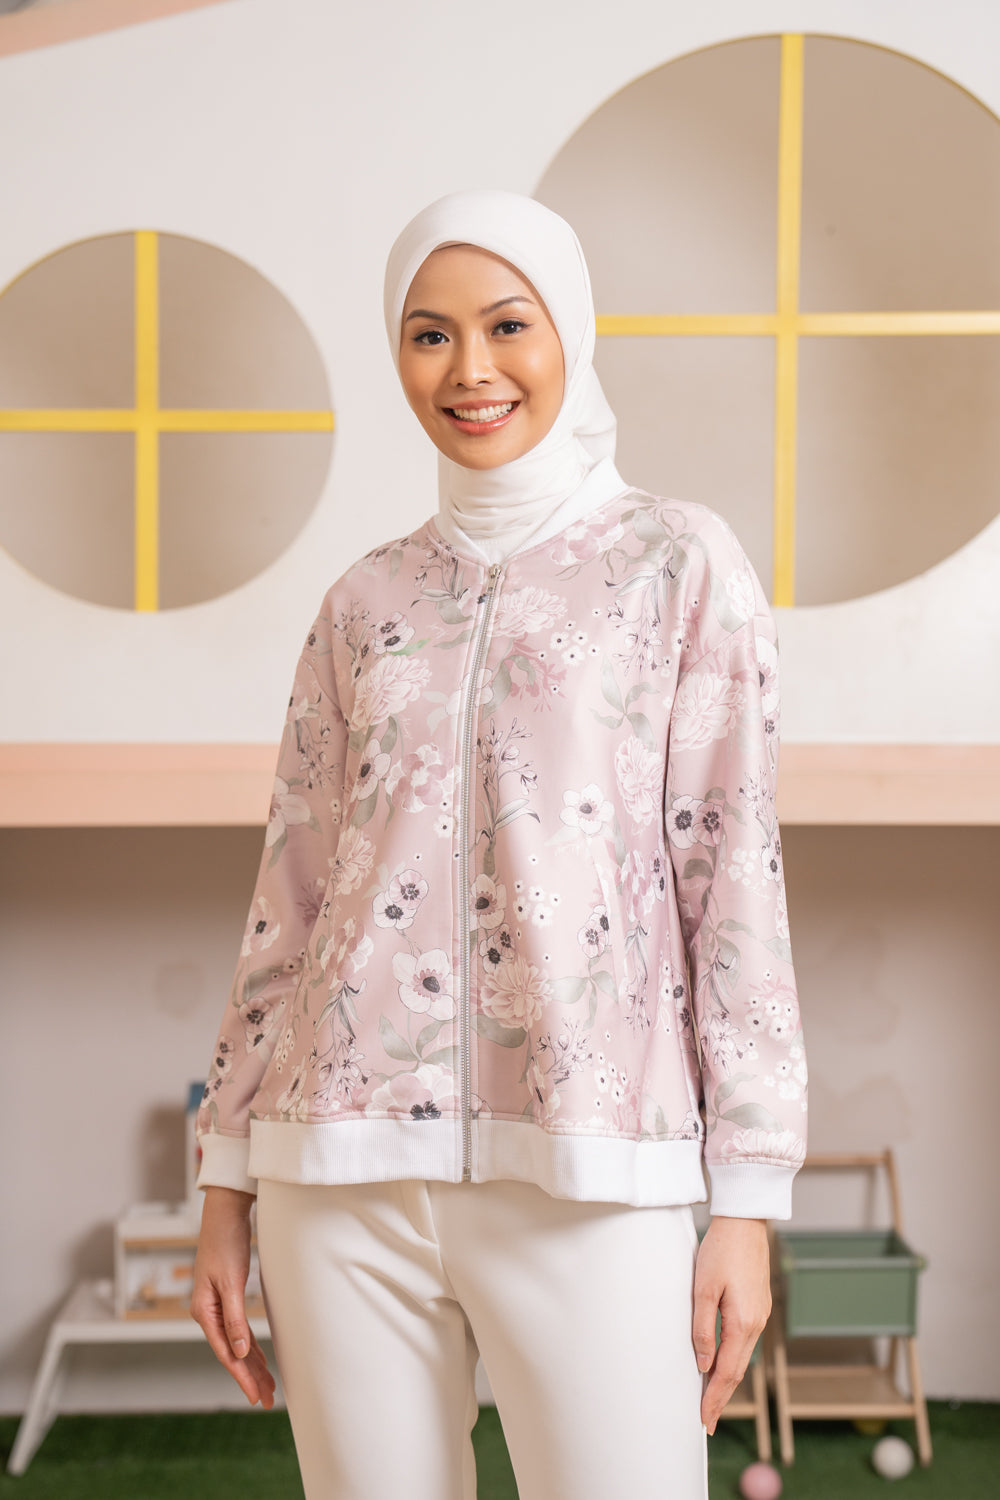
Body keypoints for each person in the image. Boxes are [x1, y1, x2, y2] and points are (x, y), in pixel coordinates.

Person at [191, 189, 807, 1500]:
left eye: (507, 325)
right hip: (336, 1168)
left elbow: (734, 879)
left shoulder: (678, 564)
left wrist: (748, 1199)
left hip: (591, 1163)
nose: (470, 368)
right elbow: (292, 894)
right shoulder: (364, 599)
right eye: (430, 334)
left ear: (569, 329)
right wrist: (228, 1180)